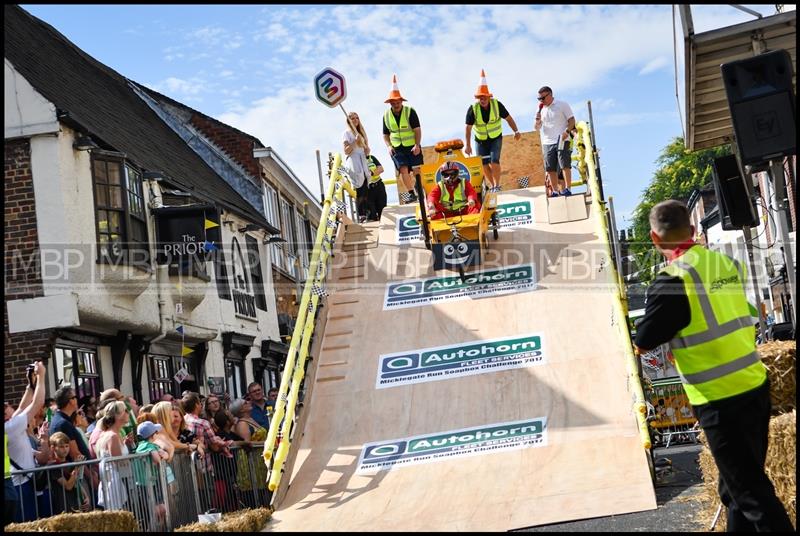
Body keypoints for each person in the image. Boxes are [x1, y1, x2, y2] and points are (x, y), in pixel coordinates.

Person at [634, 200, 793, 532]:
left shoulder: (671, 280)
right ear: (692, 231)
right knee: (735, 489)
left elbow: (645, 339)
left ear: (654, 238)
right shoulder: (725, 263)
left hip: (719, 400)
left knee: (750, 493)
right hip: (754, 386)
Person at [464, 69, 521, 192]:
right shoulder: (473, 109)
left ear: (489, 97)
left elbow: (509, 118)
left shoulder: (497, 105)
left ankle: (497, 185)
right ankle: (493, 186)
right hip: (480, 140)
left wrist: (516, 131)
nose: (482, 100)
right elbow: (468, 129)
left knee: (494, 160)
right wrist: (468, 145)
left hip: (496, 138)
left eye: (484, 97)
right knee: (484, 164)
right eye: (480, 98)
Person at [6, 361, 46, 523]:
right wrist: (42, 376)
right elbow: (37, 404)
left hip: (20, 483)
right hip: (21, 486)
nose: (11, 406)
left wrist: (31, 385)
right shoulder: (10, 428)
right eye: (7, 405)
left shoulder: (9, 426)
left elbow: (22, 408)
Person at [382, 74, 423, 204]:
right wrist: (389, 146)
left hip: (412, 146)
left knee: (417, 169)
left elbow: (417, 130)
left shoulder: (410, 111)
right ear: (390, 103)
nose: (396, 104)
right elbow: (385, 134)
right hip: (397, 148)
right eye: (393, 102)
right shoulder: (386, 115)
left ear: (401, 101)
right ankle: (411, 194)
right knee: (403, 169)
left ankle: (419, 189)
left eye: (398, 102)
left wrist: (417, 145)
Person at [534, 86, 575, 197]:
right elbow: (537, 128)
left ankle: (568, 188)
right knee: (550, 167)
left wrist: (567, 131)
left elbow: (572, 120)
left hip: (562, 138)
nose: (541, 101)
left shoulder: (562, 105)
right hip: (547, 141)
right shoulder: (540, 109)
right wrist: (537, 120)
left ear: (550, 95)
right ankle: (555, 191)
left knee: (564, 164)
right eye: (539, 99)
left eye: (543, 98)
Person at [47, 432, 90, 515]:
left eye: (67, 446)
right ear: (53, 448)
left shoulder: (70, 463)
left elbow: (76, 482)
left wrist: (86, 496)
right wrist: (77, 467)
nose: (65, 449)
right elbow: (68, 486)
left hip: (75, 503)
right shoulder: (53, 466)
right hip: (62, 506)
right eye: (61, 447)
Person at [342, 111, 372, 223]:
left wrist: (367, 151)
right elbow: (346, 151)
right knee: (359, 187)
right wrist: (355, 142)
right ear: (349, 121)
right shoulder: (346, 133)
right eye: (353, 118)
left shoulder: (362, 132)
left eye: (357, 118)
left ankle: (368, 212)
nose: (355, 120)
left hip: (363, 159)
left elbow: (366, 150)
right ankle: (361, 214)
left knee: (365, 186)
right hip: (354, 160)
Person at [49, 386, 91, 462]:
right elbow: (74, 454)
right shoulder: (63, 423)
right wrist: (90, 473)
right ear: (71, 400)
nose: (77, 400)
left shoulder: (61, 420)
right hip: (77, 471)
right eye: (75, 397)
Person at [365, 154, 387, 221]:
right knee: (371, 215)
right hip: (366, 190)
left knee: (383, 212)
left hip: (379, 186)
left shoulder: (371, 158)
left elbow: (381, 169)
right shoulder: (356, 161)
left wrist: (370, 173)